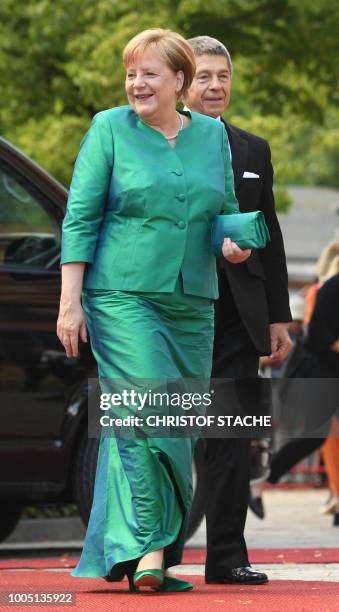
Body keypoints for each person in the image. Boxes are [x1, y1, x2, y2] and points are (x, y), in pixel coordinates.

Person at [57, 28, 249, 593]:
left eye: (149, 74)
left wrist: (235, 243)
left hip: (193, 301)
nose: (136, 83)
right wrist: (71, 304)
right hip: (122, 296)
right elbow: (80, 218)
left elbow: (227, 212)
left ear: (179, 82)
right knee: (145, 413)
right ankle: (149, 549)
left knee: (174, 425)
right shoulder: (109, 128)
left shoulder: (211, 136)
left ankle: (134, 546)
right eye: (131, 73)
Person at [184, 36, 292, 585]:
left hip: (237, 315)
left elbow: (270, 236)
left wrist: (279, 316)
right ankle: (147, 553)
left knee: (228, 435)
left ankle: (227, 557)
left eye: (223, 75)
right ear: (181, 80)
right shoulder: (154, 145)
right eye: (203, 75)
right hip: (172, 308)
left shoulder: (253, 149)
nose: (216, 85)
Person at [251, 257, 339, 524]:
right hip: (319, 374)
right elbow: (320, 336)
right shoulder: (333, 287)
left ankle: (259, 484)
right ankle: (259, 483)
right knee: (317, 435)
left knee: (322, 435)